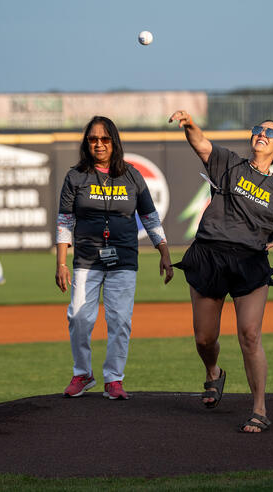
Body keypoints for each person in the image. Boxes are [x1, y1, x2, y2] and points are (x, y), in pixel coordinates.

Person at [168, 110, 273, 433]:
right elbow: (202, 145)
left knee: (250, 335)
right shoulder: (229, 163)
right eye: (258, 129)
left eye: (269, 132)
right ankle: (213, 372)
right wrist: (191, 125)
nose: (261, 134)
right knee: (204, 338)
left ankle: (259, 409)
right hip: (209, 255)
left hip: (249, 262)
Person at [56, 115, 173, 400]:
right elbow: (64, 221)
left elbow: (149, 216)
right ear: (87, 143)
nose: (99, 144)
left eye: (105, 139)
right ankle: (83, 374)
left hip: (123, 259)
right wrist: (61, 262)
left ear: (114, 142)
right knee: (80, 317)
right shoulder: (75, 176)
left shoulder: (132, 175)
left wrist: (164, 252)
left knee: (119, 319)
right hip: (86, 258)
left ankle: (114, 379)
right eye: (93, 139)